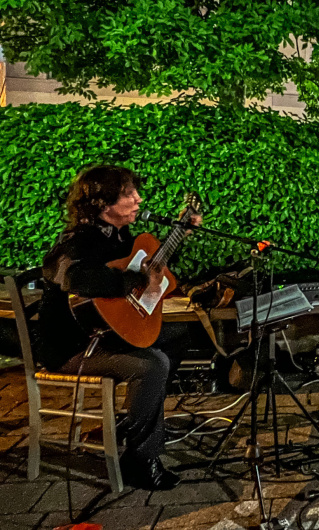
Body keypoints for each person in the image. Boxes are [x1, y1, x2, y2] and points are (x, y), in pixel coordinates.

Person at [37, 165, 200, 490]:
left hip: (108, 335)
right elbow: (68, 275)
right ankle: (139, 460)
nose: (138, 199)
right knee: (154, 365)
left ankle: (135, 421)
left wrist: (180, 233)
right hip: (73, 347)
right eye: (128, 194)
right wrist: (132, 280)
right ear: (101, 203)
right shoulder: (76, 239)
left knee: (180, 335)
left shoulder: (124, 237)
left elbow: (151, 263)